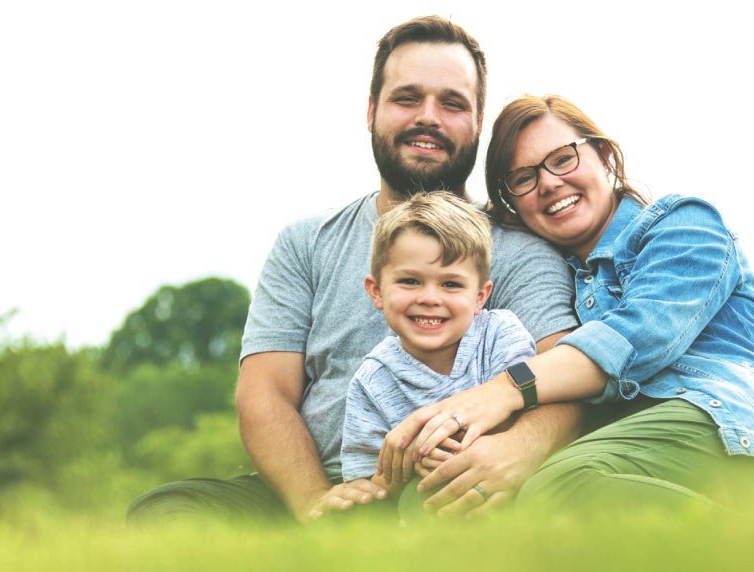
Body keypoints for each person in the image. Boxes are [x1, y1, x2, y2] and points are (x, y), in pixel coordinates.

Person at [124, 17, 580, 527]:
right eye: (407, 98)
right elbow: (264, 393)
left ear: (477, 124)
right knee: (167, 512)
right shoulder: (306, 243)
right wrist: (316, 504)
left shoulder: (520, 251)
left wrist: (517, 451)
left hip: (452, 488)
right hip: (311, 486)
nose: (428, 117)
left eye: (452, 103)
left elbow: (567, 378)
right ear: (371, 111)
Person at [393, 94, 754, 515]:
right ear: (514, 205)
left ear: (604, 157)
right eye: (524, 178)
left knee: (564, 482)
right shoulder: (548, 278)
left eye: (563, 158)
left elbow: (637, 336)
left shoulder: (682, 223)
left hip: (730, 421)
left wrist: (500, 392)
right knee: (445, 498)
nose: (549, 183)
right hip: (624, 442)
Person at [340, 192, 537, 502]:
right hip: (426, 500)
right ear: (377, 292)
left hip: (511, 482)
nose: (430, 298)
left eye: (450, 284)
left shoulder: (501, 335)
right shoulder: (372, 380)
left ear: (480, 297)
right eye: (410, 281)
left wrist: (448, 445)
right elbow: (370, 483)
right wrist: (413, 461)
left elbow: (529, 415)